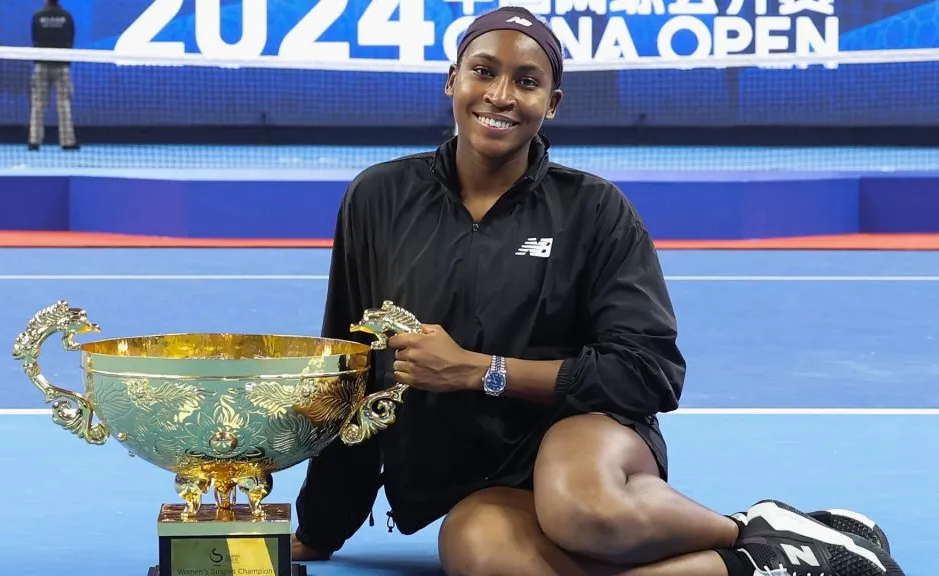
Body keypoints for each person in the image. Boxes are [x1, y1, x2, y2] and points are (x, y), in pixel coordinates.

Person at [291, 7, 906, 576]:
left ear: (552, 103)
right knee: (475, 551)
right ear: (452, 81)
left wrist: (484, 371)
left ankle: (748, 529)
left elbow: (650, 374)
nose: (501, 96)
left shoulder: (594, 210)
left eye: (526, 82)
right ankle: (771, 562)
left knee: (578, 507)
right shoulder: (378, 198)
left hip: (584, 433)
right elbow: (353, 363)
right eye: (484, 72)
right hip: (475, 477)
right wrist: (321, 526)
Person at [28, 0, 79, 151]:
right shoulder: (66, 16)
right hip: (62, 65)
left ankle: (34, 141)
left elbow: (35, 38)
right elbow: (70, 38)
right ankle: (67, 142)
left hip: (41, 65)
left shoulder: (38, 16)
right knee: (64, 104)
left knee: (38, 105)